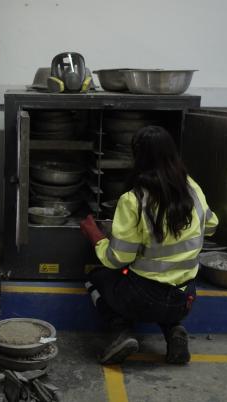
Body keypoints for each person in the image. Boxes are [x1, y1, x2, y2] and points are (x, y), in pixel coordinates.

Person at [80, 125, 218, 365]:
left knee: (95, 277)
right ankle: (174, 331)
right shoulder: (192, 188)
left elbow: (117, 259)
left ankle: (121, 333)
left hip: (143, 298)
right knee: (167, 293)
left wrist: (96, 236)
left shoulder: (134, 200)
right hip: (184, 299)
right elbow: (212, 225)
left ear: (138, 157)